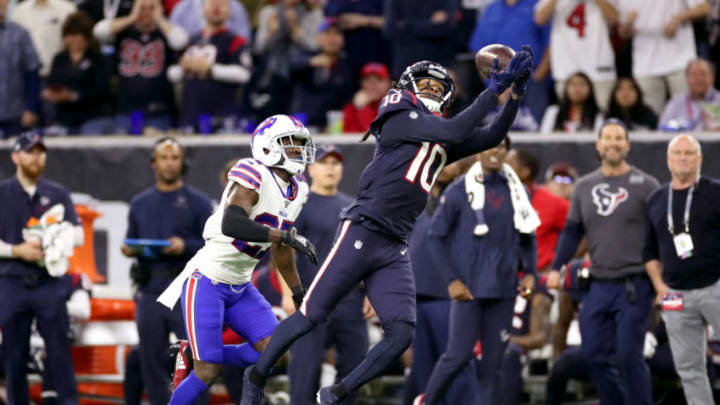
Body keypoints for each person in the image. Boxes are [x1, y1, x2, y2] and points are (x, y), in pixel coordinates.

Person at [241, 48, 535, 405]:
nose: (428, 88)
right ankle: (255, 377)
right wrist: (494, 88)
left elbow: (489, 137)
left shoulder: (440, 134)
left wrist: (515, 94)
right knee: (311, 316)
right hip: (363, 230)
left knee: (401, 334)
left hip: (394, 244)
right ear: (408, 87)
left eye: (435, 85)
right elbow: (459, 126)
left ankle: (337, 392)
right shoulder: (396, 112)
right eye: (423, 82)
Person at [157, 114, 318, 405]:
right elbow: (233, 223)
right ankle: (195, 360)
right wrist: (286, 236)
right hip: (207, 279)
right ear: (267, 146)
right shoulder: (251, 171)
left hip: (240, 286)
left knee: (274, 351)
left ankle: (190, 352)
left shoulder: (299, 189)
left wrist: (298, 293)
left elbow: (280, 248)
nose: (298, 150)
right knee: (208, 372)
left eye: (300, 144)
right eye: (290, 143)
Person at [415, 138, 540, 405]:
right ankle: (425, 402)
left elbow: (528, 238)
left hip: (505, 290)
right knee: (457, 356)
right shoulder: (459, 190)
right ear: (478, 151)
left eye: (502, 147)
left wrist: (530, 272)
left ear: (507, 152)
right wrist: (452, 280)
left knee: (492, 366)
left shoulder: (519, 191)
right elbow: (434, 236)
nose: (496, 151)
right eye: (489, 146)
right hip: (468, 290)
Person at [547, 119, 660, 405]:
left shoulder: (647, 185)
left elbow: (661, 236)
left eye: (619, 138)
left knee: (628, 356)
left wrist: (661, 281)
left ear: (628, 145)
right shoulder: (584, 186)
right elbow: (572, 232)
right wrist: (555, 268)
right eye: (607, 138)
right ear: (598, 144)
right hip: (597, 285)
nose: (613, 143)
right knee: (594, 356)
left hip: (635, 285)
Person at [121, 137, 214, 405]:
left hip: (187, 291)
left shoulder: (198, 203)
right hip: (150, 290)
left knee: (194, 360)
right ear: (153, 163)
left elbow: (213, 246)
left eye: (175, 157)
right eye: (164, 157)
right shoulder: (140, 203)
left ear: (182, 162)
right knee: (151, 361)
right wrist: (129, 249)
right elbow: (131, 240)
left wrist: (185, 245)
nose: (169, 163)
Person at [284, 144, 369, 405]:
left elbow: (366, 254)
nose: (330, 167)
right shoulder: (300, 205)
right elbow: (282, 251)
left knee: (355, 370)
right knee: (304, 372)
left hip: (350, 300)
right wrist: (289, 292)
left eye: (336, 163)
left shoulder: (353, 208)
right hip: (312, 298)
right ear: (311, 169)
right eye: (324, 162)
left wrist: (373, 293)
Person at [0, 133, 81, 405]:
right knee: (13, 355)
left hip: (49, 282)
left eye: (41, 152)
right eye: (30, 151)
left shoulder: (58, 193)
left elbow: (77, 233)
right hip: (12, 281)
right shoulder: (2, 193)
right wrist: (16, 250)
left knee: (60, 352)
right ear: (15, 156)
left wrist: (54, 243)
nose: (37, 157)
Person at [643, 134, 720, 405]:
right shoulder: (655, 199)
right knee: (689, 368)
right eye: (678, 153)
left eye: (689, 153)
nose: (684, 158)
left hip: (715, 287)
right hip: (675, 293)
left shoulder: (715, 192)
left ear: (700, 159)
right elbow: (649, 252)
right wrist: (660, 287)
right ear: (668, 159)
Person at [403, 160, 477, 405]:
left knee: (457, 367)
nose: (445, 166)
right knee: (423, 370)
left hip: (454, 297)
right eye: (440, 161)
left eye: (452, 161)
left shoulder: (471, 195)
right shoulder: (413, 199)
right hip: (416, 297)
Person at [92, 0, 189, 134]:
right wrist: (132, 17)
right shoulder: (123, 32)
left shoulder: (165, 34)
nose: (146, 12)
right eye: (142, 8)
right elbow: (98, 32)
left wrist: (159, 19)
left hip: (159, 112)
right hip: (125, 111)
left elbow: (181, 41)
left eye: (151, 8)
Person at [167, 0, 252, 133]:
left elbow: (244, 74)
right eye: (212, 3)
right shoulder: (190, 41)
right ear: (202, 9)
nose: (216, 7)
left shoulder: (235, 41)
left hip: (223, 118)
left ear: (230, 11)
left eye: (222, 4)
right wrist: (183, 68)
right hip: (190, 117)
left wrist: (210, 70)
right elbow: (171, 74)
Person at [617, 0, 710, 115]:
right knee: (650, 116)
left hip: (680, 61)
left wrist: (679, 17)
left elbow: (705, 8)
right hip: (646, 64)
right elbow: (623, 33)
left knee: (689, 112)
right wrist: (628, 25)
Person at [534, 0, 619, 110]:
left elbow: (614, 19)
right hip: (566, 67)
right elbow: (539, 19)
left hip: (599, 66)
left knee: (602, 114)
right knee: (569, 117)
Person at [43, 11, 113, 135]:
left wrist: (74, 96)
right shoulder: (59, 59)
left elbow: (102, 91)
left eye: (76, 35)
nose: (72, 39)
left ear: (86, 37)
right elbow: (52, 83)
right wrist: (52, 94)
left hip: (93, 116)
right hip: (64, 118)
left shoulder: (97, 59)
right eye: (68, 35)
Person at [507, 148, 569, 273]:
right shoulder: (496, 195)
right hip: (503, 277)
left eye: (509, 164)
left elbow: (579, 230)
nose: (503, 167)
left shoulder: (552, 202)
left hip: (538, 277)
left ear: (524, 172)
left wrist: (559, 265)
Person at [289, 18, 354, 130]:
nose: (332, 38)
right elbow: (289, 64)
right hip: (303, 125)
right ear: (318, 38)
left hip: (331, 126)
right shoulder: (306, 56)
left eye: (337, 33)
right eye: (327, 33)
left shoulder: (346, 66)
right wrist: (311, 62)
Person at [500, 276, 552, 405]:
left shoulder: (535, 288)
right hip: (484, 342)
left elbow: (540, 338)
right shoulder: (489, 278)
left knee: (508, 356)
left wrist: (509, 339)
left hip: (514, 347)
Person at [0, 0, 41, 138]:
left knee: (16, 157)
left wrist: (30, 108)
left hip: (15, 113)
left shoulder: (20, 34)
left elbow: (32, 73)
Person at [659, 59, 720, 131]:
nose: (699, 79)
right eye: (694, 75)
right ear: (687, 78)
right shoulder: (675, 103)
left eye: (703, 74)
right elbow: (661, 129)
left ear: (712, 77)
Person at [342, 62, 392, 133]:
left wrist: (363, 109)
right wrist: (361, 107)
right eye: (368, 80)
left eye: (379, 79)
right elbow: (349, 139)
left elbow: (377, 136)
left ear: (389, 83)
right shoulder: (351, 109)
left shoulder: (396, 107)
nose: (373, 84)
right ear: (362, 83)